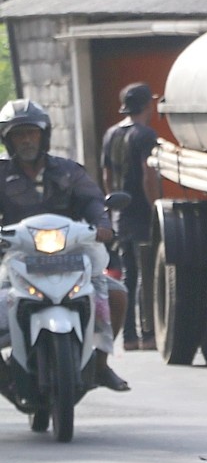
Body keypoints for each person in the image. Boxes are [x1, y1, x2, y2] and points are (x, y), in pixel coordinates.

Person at [0, 98, 129, 391]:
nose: (26, 140)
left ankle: (100, 364)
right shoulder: (1, 174)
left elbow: (94, 201)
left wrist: (104, 225)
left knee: (117, 294)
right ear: (8, 139)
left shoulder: (69, 171)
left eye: (31, 132)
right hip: (16, 259)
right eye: (19, 134)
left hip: (72, 255)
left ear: (44, 135)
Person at [100, 82, 159, 351]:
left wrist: (114, 205)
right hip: (142, 213)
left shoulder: (110, 134)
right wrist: (154, 206)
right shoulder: (145, 135)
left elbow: (107, 176)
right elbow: (147, 173)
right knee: (147, 275)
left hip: (121, 214)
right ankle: (149, 335)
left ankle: (129, 337)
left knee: (128, 276)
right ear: (147, 105)